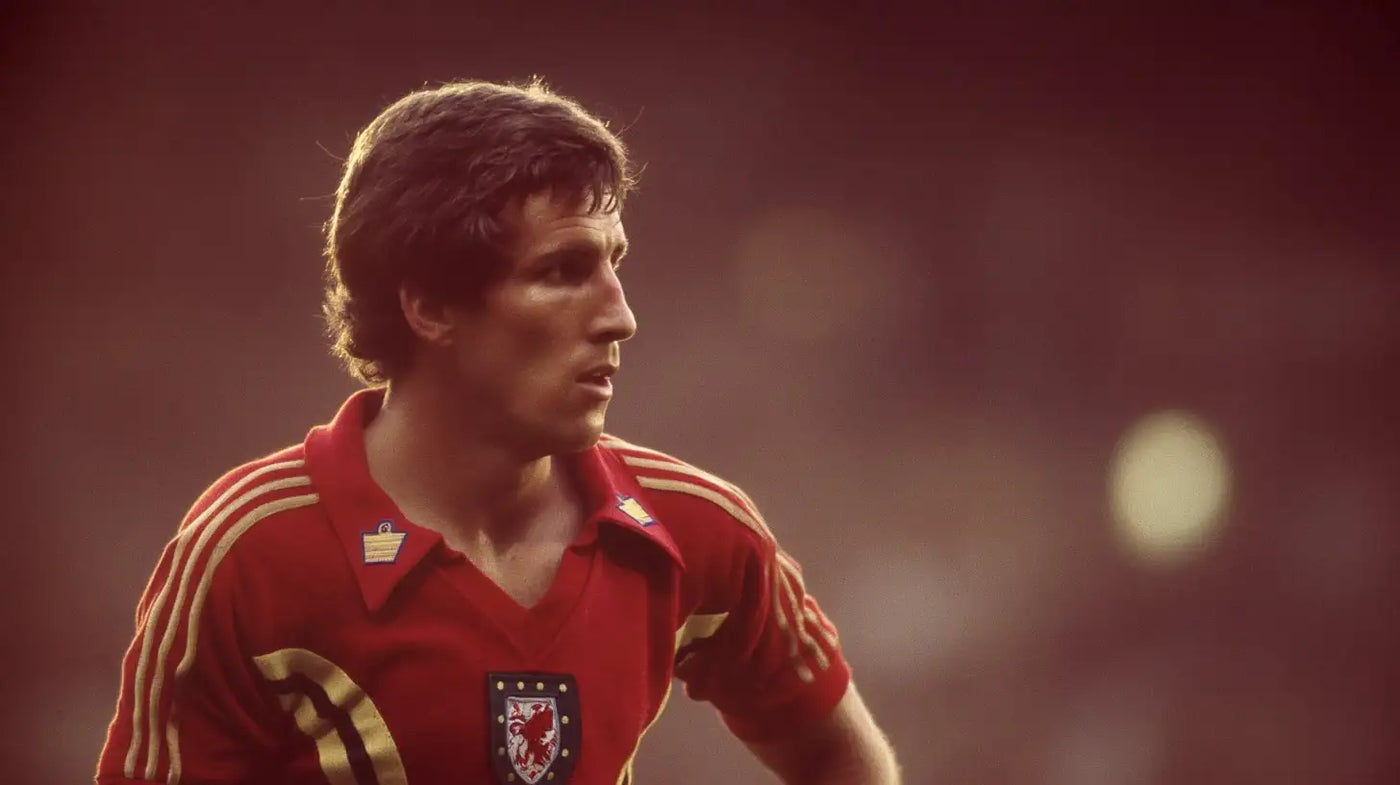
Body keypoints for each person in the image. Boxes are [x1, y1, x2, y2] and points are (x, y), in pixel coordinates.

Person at [96, 78, 900, 785]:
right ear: (431, 304)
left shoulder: (695, 528)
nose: (621, 315)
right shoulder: (250, 552)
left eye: (616, 263)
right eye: (563, 271)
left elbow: (842, 755)